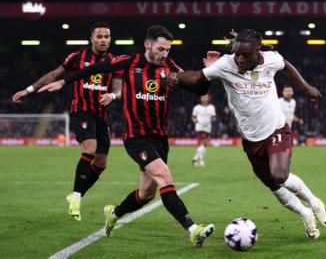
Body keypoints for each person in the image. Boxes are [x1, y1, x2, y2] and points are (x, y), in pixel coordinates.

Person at [38, 25, 214, 246]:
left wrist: (208, 73)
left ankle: (114, 213)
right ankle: (192, 228)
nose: (165, 54)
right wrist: (64, 81)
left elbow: (199, 90)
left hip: (160, 138)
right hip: (136, 137)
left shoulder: (168, 66)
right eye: (161, 49)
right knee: (165, 177)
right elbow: (94, 69)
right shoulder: (128, 63)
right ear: (148, 44)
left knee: (147, 193)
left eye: (168, 50)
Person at [168, 29, 326, 239]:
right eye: (237, 53)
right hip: (250, 139)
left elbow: (286, 67)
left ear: (257, 51)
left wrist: (306, 86)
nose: (239, 58)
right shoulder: (226, 64)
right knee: (274, 186)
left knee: (280, 175)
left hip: (276, 129)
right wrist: (176, 78)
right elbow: (198, 77)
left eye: (245, 55)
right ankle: (305, 214)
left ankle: (313, 201)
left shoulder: (271, 59)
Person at [12, 22, 121, 221]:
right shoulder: (78, 58)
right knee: (89, 148)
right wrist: (29, 90)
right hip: (82, 111)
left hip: (101, 116)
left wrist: (113, 96)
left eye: (107, 36)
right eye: (100, 36)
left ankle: (77, 193)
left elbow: (118, 87)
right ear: (92, 39)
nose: (104, 40)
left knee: (101, 163)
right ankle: (77, 197)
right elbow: (55, 74)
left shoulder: (114, 62)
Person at [191, 94, 216, 167]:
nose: (204, 99)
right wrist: (194, 120)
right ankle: (200, 160)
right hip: (199, 127)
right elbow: (193, 117)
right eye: (203, 97)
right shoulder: (197, 107)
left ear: (208, 99)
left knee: (204, 145)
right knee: (202, 143)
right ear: (201, 99)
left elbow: (213, 117)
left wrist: (213, 119)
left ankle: (195, 159)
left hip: (208, 128)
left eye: (205, 97)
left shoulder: (212, 107)